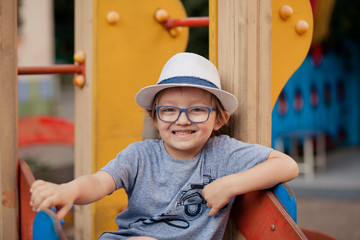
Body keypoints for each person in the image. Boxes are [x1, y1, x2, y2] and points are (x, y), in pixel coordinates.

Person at [30, 52, 299, 240]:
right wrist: (69, 190)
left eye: (196, 110)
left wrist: (230, 185)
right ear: (155, 118)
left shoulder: (223, 153)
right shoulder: (140, 155)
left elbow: (287, 165)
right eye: (169, 110)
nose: (182, 120)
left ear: (219, 119)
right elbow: (99, 182)